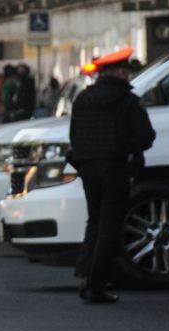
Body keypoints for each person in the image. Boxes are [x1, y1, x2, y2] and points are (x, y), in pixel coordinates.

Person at [68, 48, 156, 304]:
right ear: (118, 71)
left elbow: (74, 136)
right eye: (125, 70)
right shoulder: (127, 101)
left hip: (87, 170)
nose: (127, 74)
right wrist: (131, 146)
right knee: (110, 226)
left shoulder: (83, 99)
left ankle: (85, 274)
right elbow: (146, 136)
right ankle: (95, 284)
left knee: (94, 222)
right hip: (115, 169)